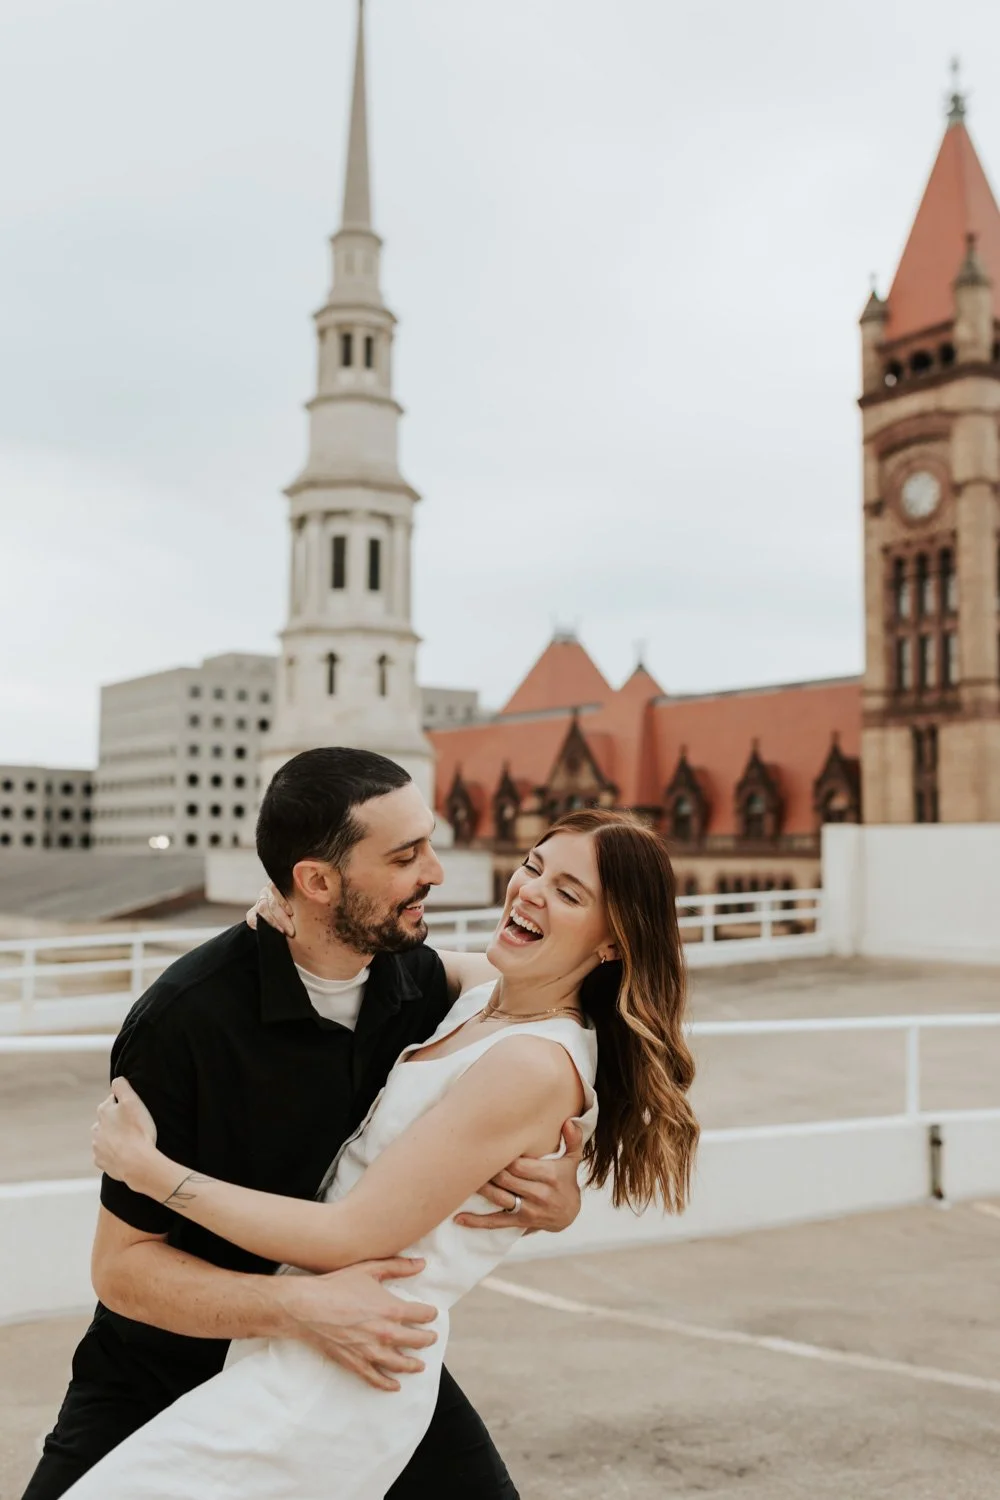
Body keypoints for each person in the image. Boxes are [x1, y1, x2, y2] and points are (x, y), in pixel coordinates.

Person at [67, 805, 699, 1499]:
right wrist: (294, 911)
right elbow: (372, 951)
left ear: (613, 942)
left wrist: (152, 1173)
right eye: (533, 866)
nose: (530, 890)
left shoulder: (532, 1063)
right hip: (311, 1339)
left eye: (569, 893)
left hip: (350, 1366)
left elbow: (349, 1235)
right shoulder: (488, 996)